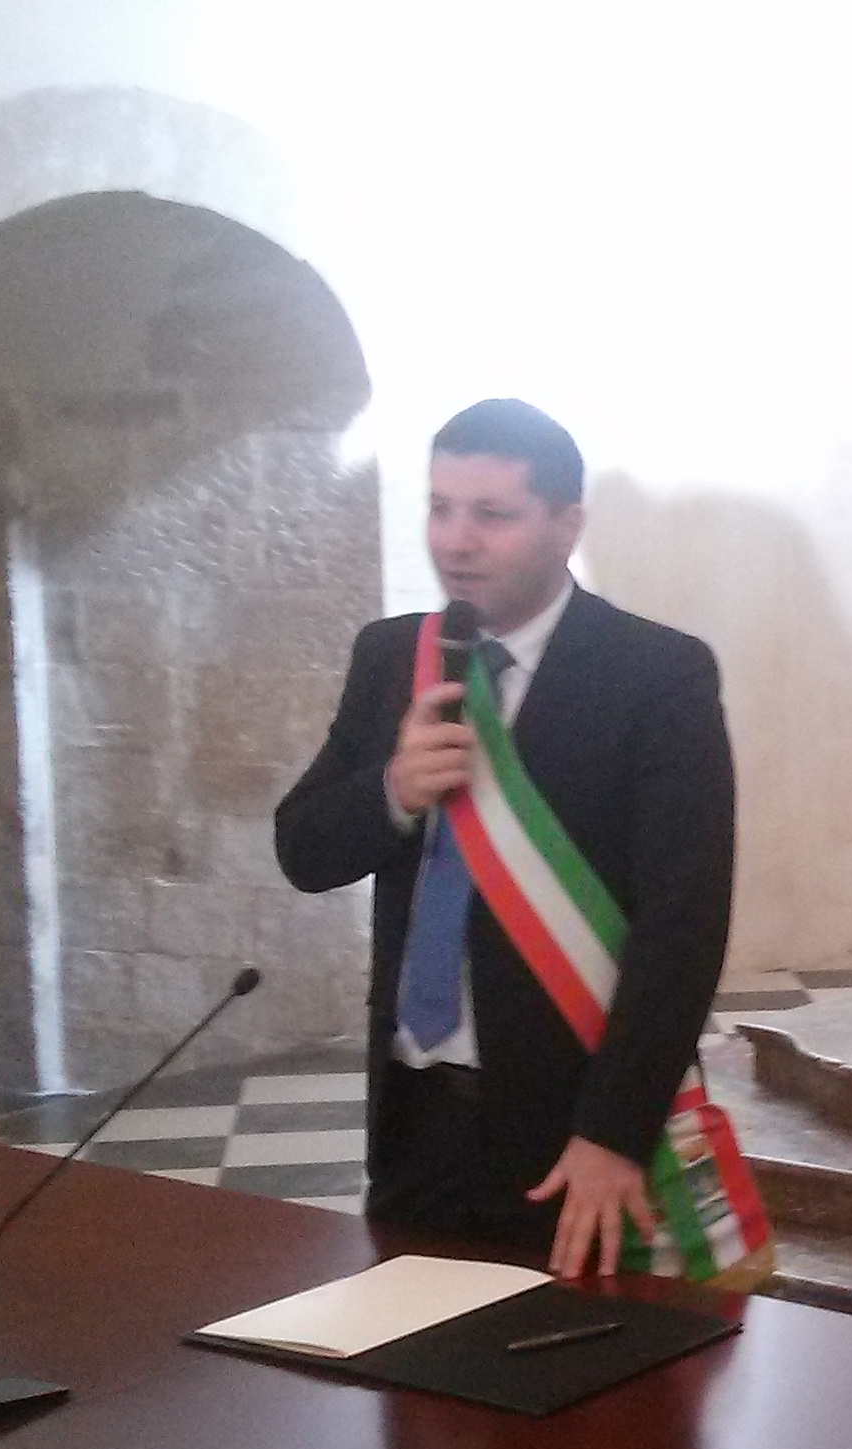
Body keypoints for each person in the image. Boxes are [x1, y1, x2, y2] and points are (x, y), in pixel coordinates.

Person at [276, 400, 736, 1279]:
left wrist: (614, 1132)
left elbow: (683, 928)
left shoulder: (656, 674)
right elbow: (302, 850)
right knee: (409, 1357)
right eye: (440, 508)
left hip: (570, 1127)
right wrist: (393, 791)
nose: (456, 541)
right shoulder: (391, 656)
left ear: (567, 525)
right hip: (415, 1117)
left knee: (578, 1362)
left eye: (492, 515)